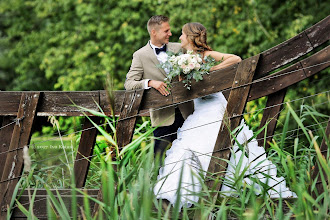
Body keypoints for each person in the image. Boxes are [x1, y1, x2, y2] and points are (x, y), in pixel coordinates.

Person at [153, 22, 296, 209]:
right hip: (199, 112)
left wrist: (210, 72)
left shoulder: (205, 55)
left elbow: (235, 59)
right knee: (188, 149)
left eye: (181, 34)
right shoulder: (182, 60)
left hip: (216, 108)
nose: (179, 37)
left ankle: (247, 192)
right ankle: (177, 196)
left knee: (230, 147)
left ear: (189, 37)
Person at [125, 15, 194, 158]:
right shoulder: (140, 55)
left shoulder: (179, 48)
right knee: (158, 159)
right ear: (154, 32)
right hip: (162, 117)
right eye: (166, 31)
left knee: (190, 154)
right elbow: (129, 84)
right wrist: (150, 82)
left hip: (187, 112)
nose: (170, 33)